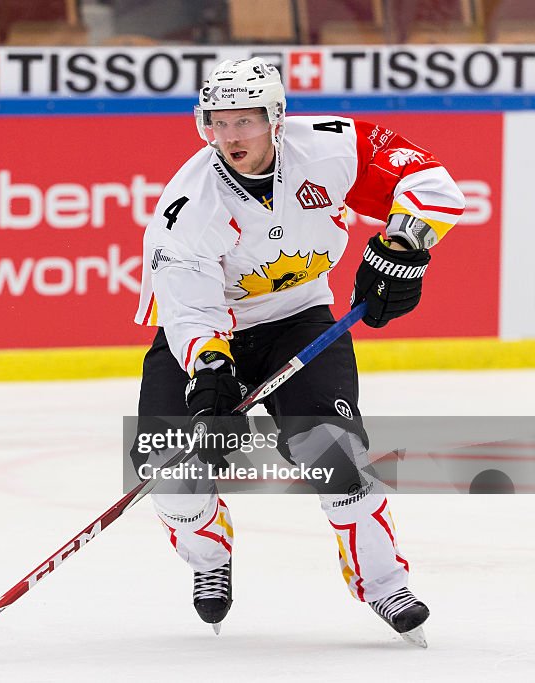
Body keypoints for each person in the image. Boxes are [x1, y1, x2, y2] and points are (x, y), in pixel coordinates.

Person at [132, 57, 464, 647]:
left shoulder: (333, 147)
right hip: (212, 334)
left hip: (301, 321)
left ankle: (384, 582)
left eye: (245, 120)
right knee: (171, 479)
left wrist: (405, 244)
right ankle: (209, 554)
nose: (230, 136)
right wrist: (209, 370)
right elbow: (188, 308)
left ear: (276, 117)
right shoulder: (188, 206)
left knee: (339, 461)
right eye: (218, 122)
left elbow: (431, 185)